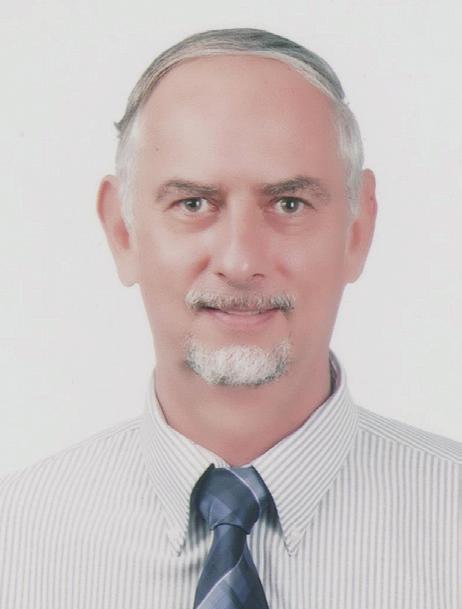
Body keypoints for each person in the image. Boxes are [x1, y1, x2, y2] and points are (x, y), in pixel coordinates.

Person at [0, 27, 460, 609]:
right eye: (193, 203)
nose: (241, 262)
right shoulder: (13, 540)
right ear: (122, 231)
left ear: (357, 229)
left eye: (289, 204)